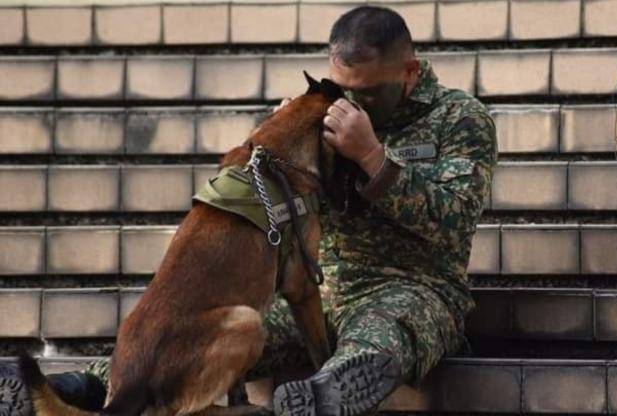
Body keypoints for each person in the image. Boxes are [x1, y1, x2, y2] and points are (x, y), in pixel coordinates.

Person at [0, 5, 497, 416]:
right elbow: (268, 197)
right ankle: (75, 388)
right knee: (201, 333)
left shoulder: (460, 118)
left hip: (412, 288)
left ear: (409, 73)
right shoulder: (324, 111)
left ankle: (327, 396)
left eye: (367, 93)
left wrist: (372, 156)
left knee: (386, 335)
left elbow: (452, 217)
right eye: (343, 89)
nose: (351, 104)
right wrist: (284, 141)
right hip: (317, 293)